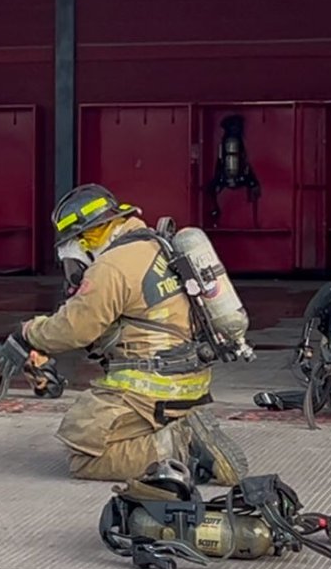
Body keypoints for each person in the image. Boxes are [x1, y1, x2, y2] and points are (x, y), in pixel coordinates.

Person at [16, 183, 250, 486]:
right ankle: (184, 434)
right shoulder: (156, 245)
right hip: (190, 385)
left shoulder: (111, 266)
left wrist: (31, 332)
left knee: (87, 455)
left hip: (151, 390)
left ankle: (184, 447)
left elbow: (75, 328)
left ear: (85, 238)